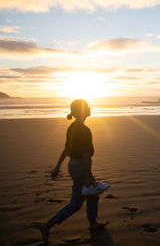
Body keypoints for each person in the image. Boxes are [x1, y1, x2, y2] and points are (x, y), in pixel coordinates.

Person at [39, 99, 107, 244]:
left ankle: (93, 223)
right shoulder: (84, 130)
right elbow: (85, 155)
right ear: (82, 111)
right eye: (87, 107)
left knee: (92, 195)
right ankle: (47, 226)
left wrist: (58, 167)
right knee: (76, 203)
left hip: (74, 165)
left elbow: (66, 149)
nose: (90, 108)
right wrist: (88, 175)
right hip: (81, 166)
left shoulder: (73, 127)